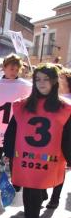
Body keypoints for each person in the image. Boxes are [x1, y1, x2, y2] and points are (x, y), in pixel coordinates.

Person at [4, 63, 71, 218]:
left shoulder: (65, 108)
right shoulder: (23, 105)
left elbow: (68, 136)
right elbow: (12, 130)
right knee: (29, 188)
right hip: (24, 156)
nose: (41, 83)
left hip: (49, 158)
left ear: (54, 81)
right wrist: (7, 152)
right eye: (37, 79)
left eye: (46, 79)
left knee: (35, 189)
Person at [0, 54, 33, 195]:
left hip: (15, 129)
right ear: (4, 68)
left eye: (17, 69)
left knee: (14, 157)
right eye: (11, 68)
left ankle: (16, 183)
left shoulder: (26, 86)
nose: (14, 71)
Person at [47, 68, 71, 209]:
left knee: (60, 168)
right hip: (49, 137)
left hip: (65, 139)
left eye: (61, 78)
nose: (58, 80)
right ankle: (42, 192)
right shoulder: (50, 97)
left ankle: (55, 198)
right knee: (46, 166)